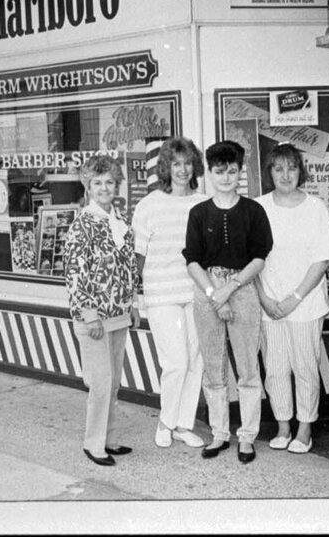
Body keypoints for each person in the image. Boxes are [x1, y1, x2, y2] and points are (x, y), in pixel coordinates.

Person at [183, 140, 273, 464]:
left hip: (244, 288)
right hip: (206, 288)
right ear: (209, 172)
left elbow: (260, 257)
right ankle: (219, 433)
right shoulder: (198, 213)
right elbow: (192, 260)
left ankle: (247, 436)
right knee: (213, 367)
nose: (225, 177)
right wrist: (214, 294)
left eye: (231, 171)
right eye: (219, 171)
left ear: (240, 172)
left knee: (248, 368)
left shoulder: (253, 211)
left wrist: (231, 287)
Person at [255, 143, 329, 454]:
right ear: (270, 173)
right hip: (270, 305)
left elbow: (322, 259)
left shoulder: (314, 207)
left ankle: (305, 429)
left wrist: (295, 297)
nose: (285, 174)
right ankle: (282, 426)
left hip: (305, 304)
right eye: (278, 168)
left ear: (300, 171)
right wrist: (263, 297)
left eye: (291, 167)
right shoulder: (258, 207)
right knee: (276, 368)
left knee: (305, 366)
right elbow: (251, 260)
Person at [62, 154, 141, 467]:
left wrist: (132, 303)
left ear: (116, 185)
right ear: (88, 187)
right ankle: (93, 444)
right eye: (98, 182)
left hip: (119, 313)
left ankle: (110, 438)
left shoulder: (118, 220)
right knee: (100, 382)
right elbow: (74, 273)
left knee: (113, 382)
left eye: (109, 182)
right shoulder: (83, 224)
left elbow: (127, 268)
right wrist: (89, 313)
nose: (104, 187)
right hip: (94, 317)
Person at [132, 137, 208, 450]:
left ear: (195, 167)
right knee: (176, 361)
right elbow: (137, 255)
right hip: (161, 295)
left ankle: (182, 425)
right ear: (166, 167)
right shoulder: (149, 204)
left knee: (195, 361)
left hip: (195, 293)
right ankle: (165, 421)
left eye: (187, 163)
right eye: (176, 163)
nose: (182, 169)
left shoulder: (203, 203)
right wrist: (133, 298)